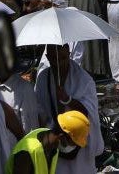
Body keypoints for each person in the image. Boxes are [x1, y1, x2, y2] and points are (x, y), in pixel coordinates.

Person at [34, 44, 104, 174]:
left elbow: (90, 112)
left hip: (79, 142)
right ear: (48, 57)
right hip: (55, 141)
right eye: (54, 58)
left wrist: (68, 100)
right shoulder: (43, 78)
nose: (59, 62)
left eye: (63, 58)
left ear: (69, 53)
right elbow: (39, 110)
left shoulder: (83, 79)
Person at [5, 111, 89, 174]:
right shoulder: (27, 153)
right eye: (73, 144)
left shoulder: (52, 145)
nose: (74, 148)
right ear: (61, 137)